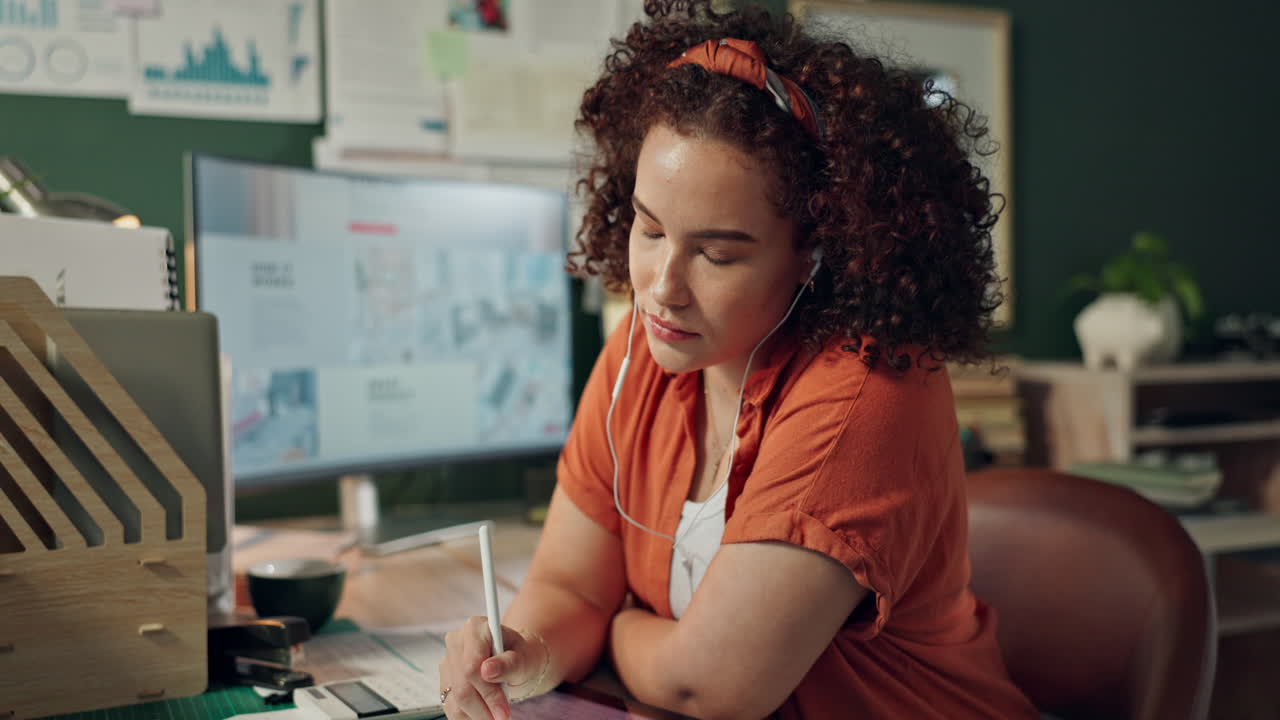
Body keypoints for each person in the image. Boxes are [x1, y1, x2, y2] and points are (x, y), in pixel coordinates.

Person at [438, 2, 1037, 718]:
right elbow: (571, 588)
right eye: (650, 228)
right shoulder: (640, 350)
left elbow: (713, 685)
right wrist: (526, 654)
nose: (662, 287)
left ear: (815, 255)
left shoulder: (867, 394)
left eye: (717, 254)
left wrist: (618, 625)